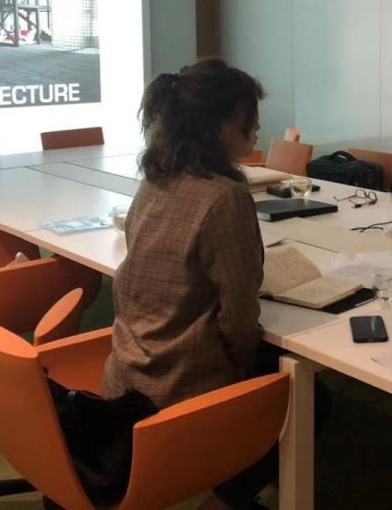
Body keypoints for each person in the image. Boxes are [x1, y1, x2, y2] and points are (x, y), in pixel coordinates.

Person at [101, 58, 273, 509]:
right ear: (219, 127)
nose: (257, 127)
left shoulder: (155, 181)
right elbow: (239, 321)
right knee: (310, 396)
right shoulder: (225, 197)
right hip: (180, 391)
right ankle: (227, 493)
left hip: (124, 377)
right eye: (248, 116)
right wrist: (241, 371)